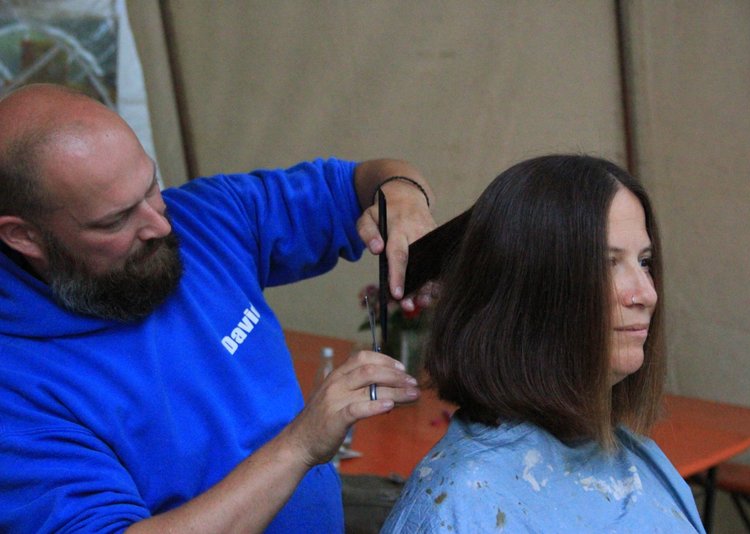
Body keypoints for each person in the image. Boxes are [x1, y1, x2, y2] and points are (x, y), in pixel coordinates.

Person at [0, 83, 436, 533]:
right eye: (116, 219)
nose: (158, 224)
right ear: (24, 236)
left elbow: (360, 183)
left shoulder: (206, 218)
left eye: (151, 186)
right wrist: (301, 444)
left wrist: (403, 198)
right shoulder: (15, 388)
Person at [381, 155, 705, 533]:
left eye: (645, 262)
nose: (646, 294)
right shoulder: (460, 504)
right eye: (607, 263)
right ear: (530, 293)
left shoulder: (641, 460)